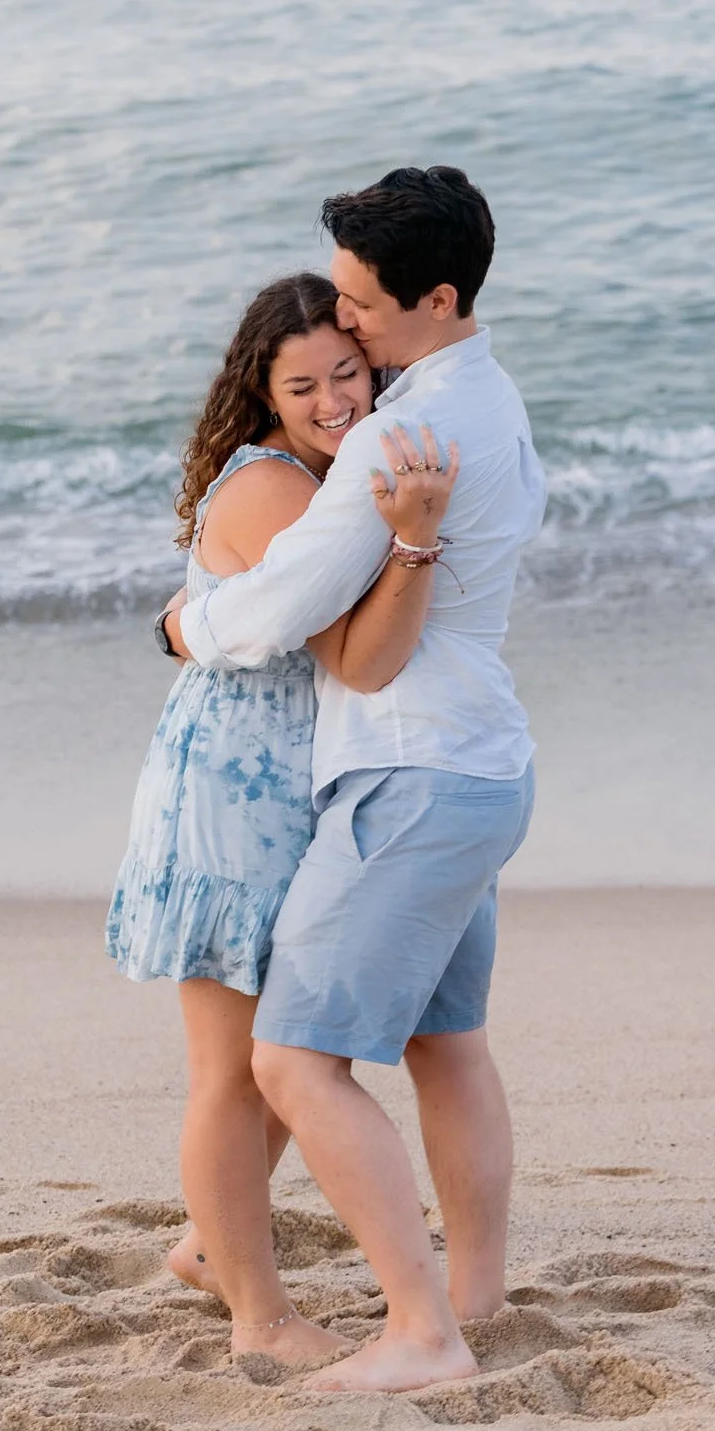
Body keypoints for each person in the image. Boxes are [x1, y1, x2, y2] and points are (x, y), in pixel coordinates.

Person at [167, 165, 546, 1394]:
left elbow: (286, 604)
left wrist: (186, 621)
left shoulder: (398, 434)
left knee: (290, 1062)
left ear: (434, 296)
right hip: (484, 762)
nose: (349, 326)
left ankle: (423, 1333)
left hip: (408, 774)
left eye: (362, 305)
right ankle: (474, 1294)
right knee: (446, 1043)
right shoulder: (493, 400)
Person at [107, 271, 458, 1368]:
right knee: (232, 1068)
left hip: (283, 789)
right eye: (299, 383)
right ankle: (255, 1315)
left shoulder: (326, 475)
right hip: (229, 794)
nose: (330, 400)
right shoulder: (271, 488)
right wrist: (412, 541)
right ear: (260, 394)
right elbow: (352, 647)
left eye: (345, 374)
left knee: (276, 1052)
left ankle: (211, 1248)